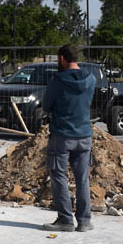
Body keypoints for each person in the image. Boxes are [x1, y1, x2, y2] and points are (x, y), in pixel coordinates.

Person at [40, 44, 96, 232]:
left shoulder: (58, 80)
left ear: (62, 58)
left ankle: (65, 220)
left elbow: (47, 105)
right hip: (84, 135)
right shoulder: (91, 79)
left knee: (59, 176)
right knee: (82, 178)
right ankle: (84, 221)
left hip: (62, 135)